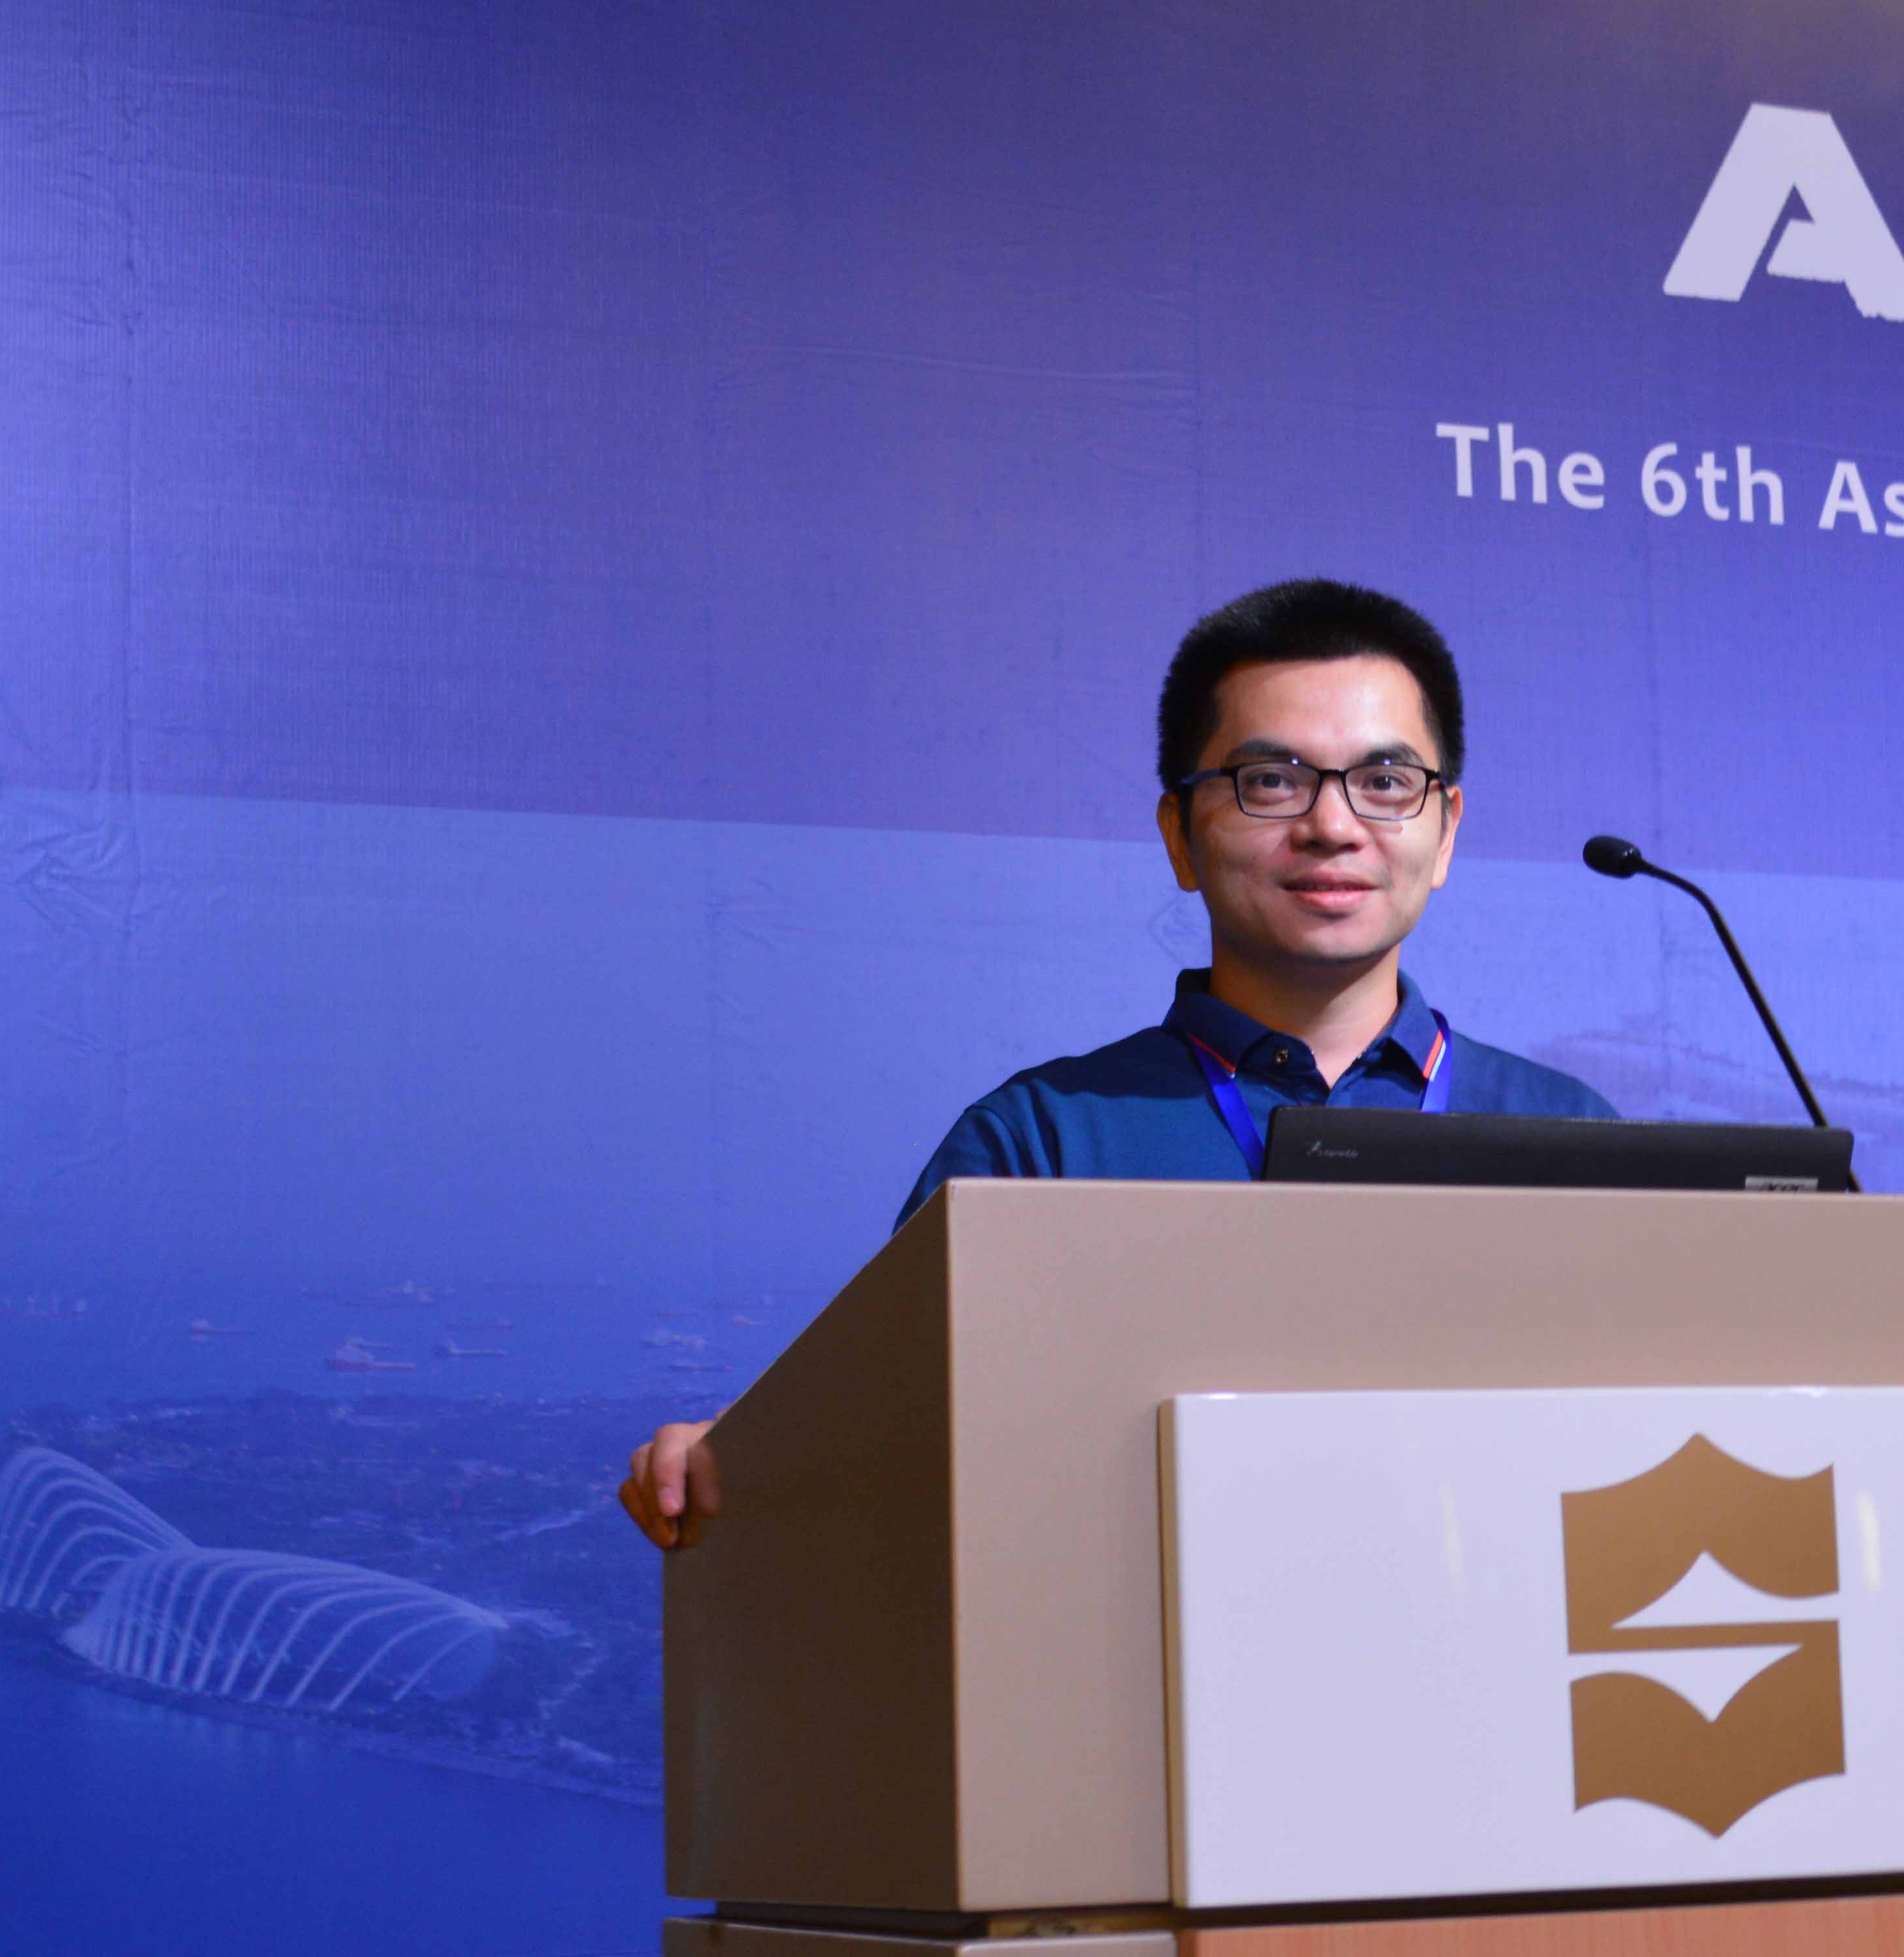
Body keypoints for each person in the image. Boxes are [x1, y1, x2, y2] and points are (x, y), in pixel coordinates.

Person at [619, 577, 1612, 1548]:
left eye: (1386, 783)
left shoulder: (1575, 1136)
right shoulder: (1040, 1141)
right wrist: (745, 1458)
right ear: (1178, 835)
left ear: (1446, 831)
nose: (1333, 826)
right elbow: (890, 1439)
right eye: (1272, 781)